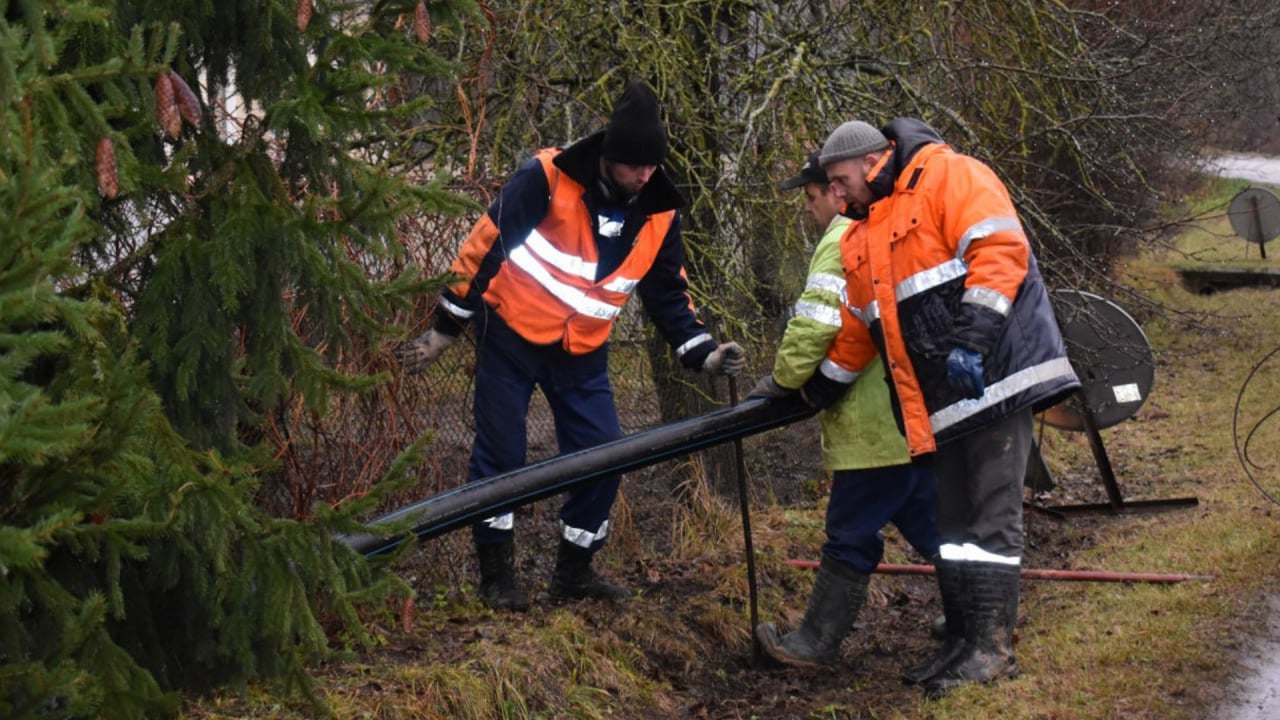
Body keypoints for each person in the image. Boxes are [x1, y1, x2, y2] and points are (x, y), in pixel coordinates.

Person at [397, 80, 746, 612]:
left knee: (604, 457)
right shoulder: (547, 177)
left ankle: (574, 571)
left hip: (583, 352)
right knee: (502, 457)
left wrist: (703, 353)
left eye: (653, 166)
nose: (646, 176)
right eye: (635, 166)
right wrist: (445, 330)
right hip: (510, 336)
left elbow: (668, 294)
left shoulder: (660, 211)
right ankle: (497, 579)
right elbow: (483, 249)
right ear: (609, 156)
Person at [800, 119, 1080, 696]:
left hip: (998, 378)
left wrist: (973, 340)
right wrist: (818, 388)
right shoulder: (861, 233)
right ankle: (964, 642)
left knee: (989, 518)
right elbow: (860, 327)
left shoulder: (951, 175)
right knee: (953, 527)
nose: (837, 194)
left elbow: (1001, 251)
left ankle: (992, 651)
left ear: (873, 160)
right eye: (830, 184)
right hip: (944, 401)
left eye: (841, 179)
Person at [749, 151, 941, 668]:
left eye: (811, 197)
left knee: (850, 532)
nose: (807, 209)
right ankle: (980, 616)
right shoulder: (884, 228)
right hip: (909, 416)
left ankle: (814, 643)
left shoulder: (840, 242)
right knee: (932, 525)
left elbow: (816, 324)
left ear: (837, 193)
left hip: (870, 424)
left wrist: (784, 382)